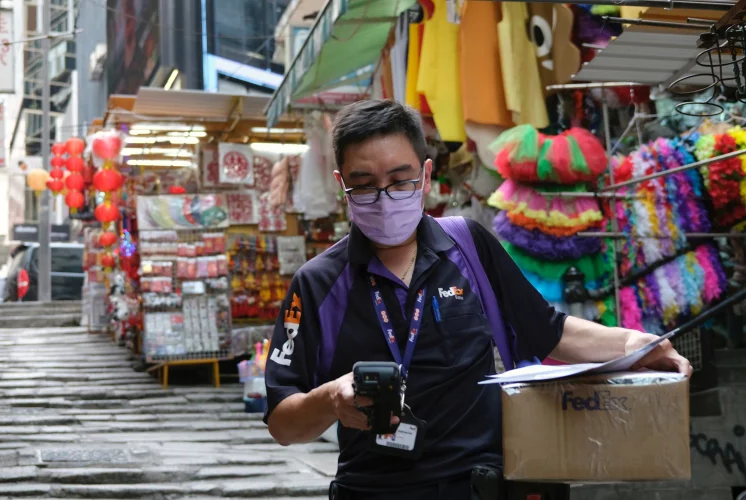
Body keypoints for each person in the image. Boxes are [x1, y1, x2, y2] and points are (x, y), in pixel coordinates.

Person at [263, 99, 692, 500]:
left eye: (400, 180)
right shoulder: (317, 282)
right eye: (365, 185)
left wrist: (636, 345)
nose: (385, 196)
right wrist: (331, 399)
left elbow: (547, 331)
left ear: (426, 176)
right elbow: (283, 422)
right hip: (373, 489)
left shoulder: (467, 244)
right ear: (341, 184)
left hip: (480, 485)